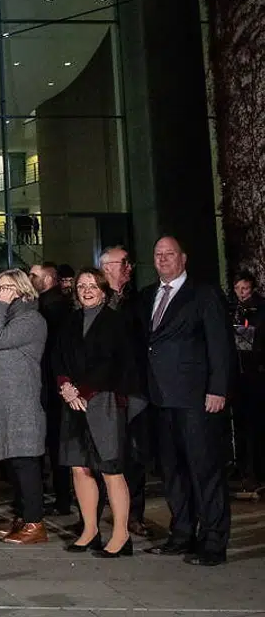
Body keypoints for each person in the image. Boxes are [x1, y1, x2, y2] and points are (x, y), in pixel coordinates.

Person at [140, 236, 232, 566]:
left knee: (204, 470)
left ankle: (213, 540)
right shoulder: (148, 295)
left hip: (196, 399)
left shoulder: (203, 294)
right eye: (158, 254)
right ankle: (181, 533)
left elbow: (219, 345)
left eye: (169, 254)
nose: (163, 259)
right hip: (160, 398)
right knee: (172, 471)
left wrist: (218, 389)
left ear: (183, 258)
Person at [54, 267, 140, 558]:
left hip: (102, 400)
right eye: (81, 286)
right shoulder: (70, 322)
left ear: (104, 290)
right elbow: (58, 358)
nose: (87, 290)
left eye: (93, 286)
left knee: (109, 469)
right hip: (72, 402)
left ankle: (121, 536)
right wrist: (65, 386)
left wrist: (84, 391)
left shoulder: (116, 322)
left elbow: (119, 363)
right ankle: (89, 530)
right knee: (79, 466)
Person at [0, 269, 48, 546]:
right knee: (12, 464)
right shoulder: (3, 315)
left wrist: (0, 305)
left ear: (21, 288)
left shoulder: (31, 319)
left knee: (25, 461)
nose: (0, 293)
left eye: (6, 287)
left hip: (22, 403)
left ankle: (35, 522)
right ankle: (21, 516)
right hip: (3, 402)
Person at [99, 244, 150, 535]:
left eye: (127, 263)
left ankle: (134, 514)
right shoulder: (95, 298)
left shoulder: (138, 300)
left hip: (133, 388)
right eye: (122, 262)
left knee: (134, 453)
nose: (128, 267)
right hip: (102, 389)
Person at [29, 261, 74, 515]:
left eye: (34, 275)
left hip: (51, 383)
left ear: (47, 280)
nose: (29, 278)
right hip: (51, 382)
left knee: (54, 442)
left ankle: (61, 497)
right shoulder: (52, 306)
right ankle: (61, 496)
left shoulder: (49, 308)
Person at [228, 271, 262, 493]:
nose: (242, 293)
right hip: (238, 374)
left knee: (254, 424)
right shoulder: (233, 309)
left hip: (255, 373)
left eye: (246, 289)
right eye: (239, 289)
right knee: (240, 423)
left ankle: (254, 470)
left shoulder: (259, 309)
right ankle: (242, 466)